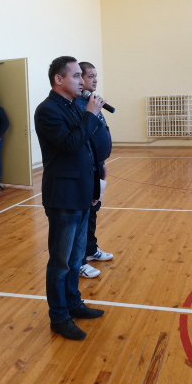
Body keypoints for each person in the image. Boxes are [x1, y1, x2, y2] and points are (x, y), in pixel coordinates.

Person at [34, 56, 106, 340]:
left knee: (76, 258)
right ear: (58, 79)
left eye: (81, 76)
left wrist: (95, 187)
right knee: (61, 263)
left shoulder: (74, 106)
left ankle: (74, 304)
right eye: (76, 76)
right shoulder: (48, 110)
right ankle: (59, 317)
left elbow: (88, 146)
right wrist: (90, 114)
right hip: (63, 197)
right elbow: (71, 144)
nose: (82, 82)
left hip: (82, 193)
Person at [75, 61, 114, 279]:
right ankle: (79, 260)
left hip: (97, 165)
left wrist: (101, 162)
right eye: (91, 76)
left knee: (93, 210)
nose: (95, 80)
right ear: (80, 78)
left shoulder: (92, 101)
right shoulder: (80, 105)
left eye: (95, 76)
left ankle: (91, 249)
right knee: (83, 214)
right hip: (85, 168)